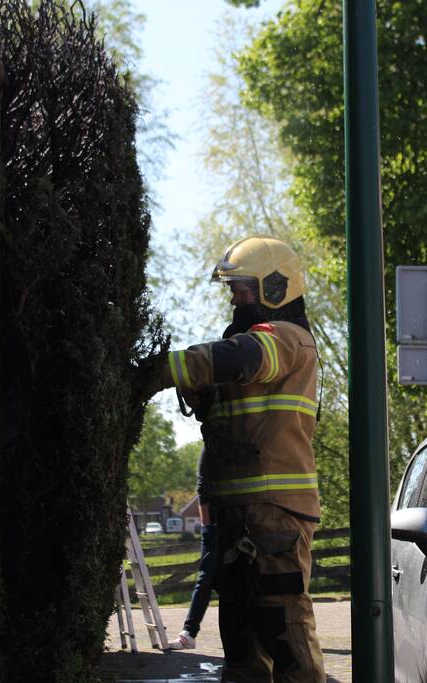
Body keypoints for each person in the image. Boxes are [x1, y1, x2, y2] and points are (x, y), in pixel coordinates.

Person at [137, 235, 325, 682]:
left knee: (286, 635)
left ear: (273, 288)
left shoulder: (287, 339)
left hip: (275, 516)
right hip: (238, 514)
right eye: (233, 290)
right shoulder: (251, 346)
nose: (234, 299)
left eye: (242, 289)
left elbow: (241, 357)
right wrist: (203, 394)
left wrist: (157, 372)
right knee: (242, 644)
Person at [168, 501, 216, 651]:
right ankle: (188, 633)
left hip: (240, 527)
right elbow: (203, 496)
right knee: (205, 581)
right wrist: (208, 529)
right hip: (216, 530)